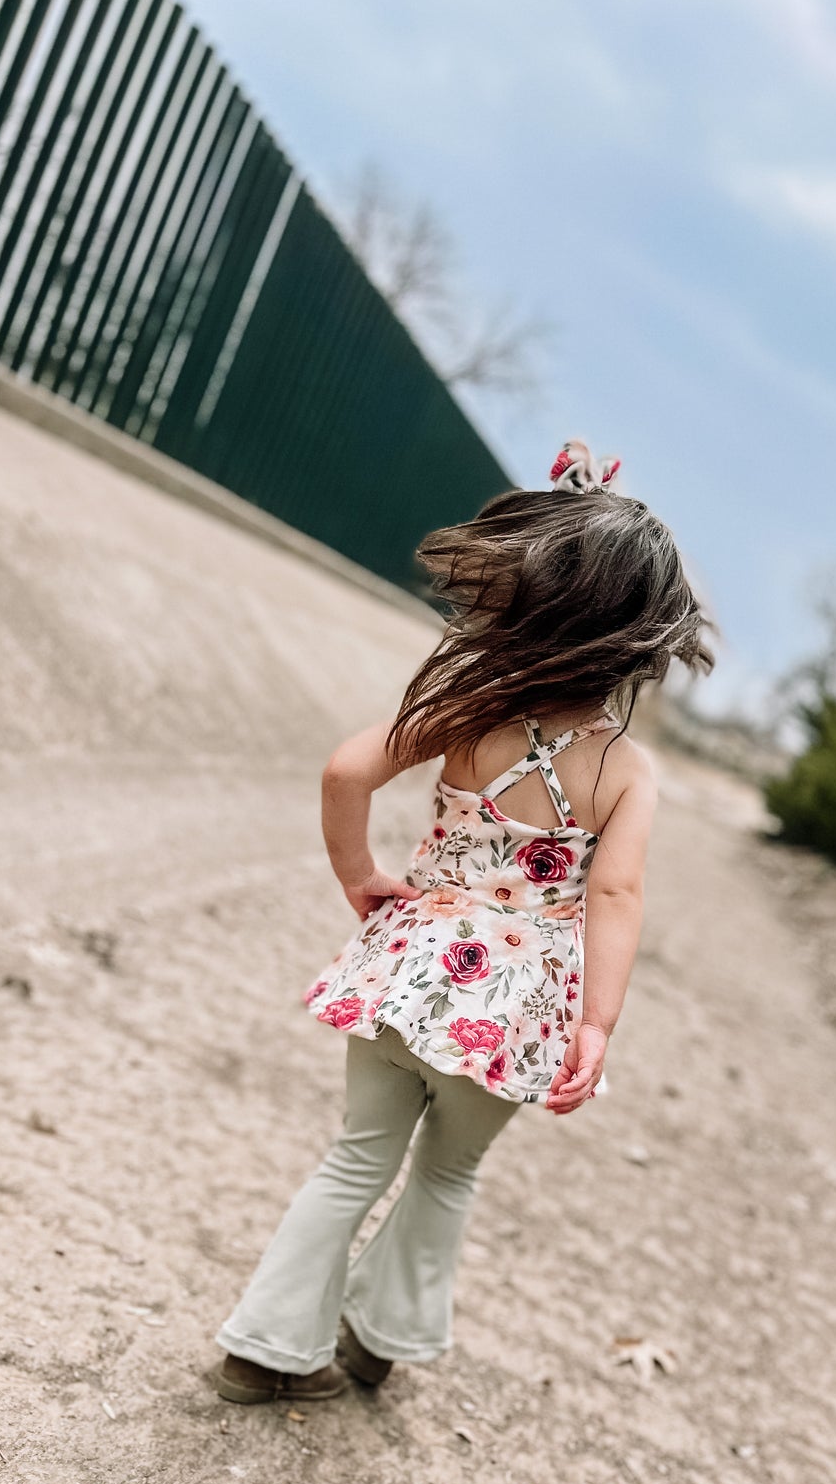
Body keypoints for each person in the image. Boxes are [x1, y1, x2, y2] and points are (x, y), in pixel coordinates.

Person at [214, 442, 714, 1404]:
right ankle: (378, 1342)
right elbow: (613, 896)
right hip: (513, 1011)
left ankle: (264, 1349)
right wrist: (595, 1021)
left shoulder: (469, 707)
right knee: (446, 1176)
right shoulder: (627, 773)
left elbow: (343, 771)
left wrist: (359, 872)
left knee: (355, 1156)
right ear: (636, 641)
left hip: (408, 973)